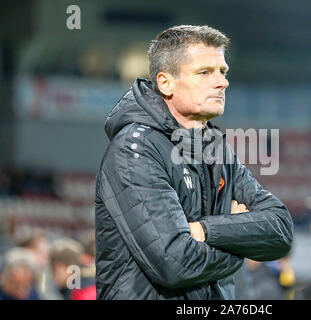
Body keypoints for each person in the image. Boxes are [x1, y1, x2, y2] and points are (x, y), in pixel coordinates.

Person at [95, 25, 294, 300]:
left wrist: (205, 230)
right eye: (204, 72)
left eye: (223, 72)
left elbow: (281, 230)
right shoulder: (134, 148)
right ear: (166, 83)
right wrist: (241, 245)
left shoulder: (215, 148)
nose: (222, 82)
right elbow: (175, 263)